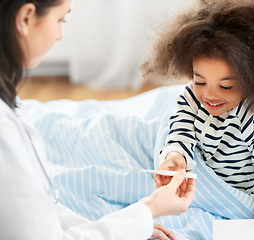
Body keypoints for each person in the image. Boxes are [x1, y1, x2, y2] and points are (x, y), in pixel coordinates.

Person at [0, 1, 195, 239]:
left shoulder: (10, 105)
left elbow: (46, 212)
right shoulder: (5, 131)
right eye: (60, 20)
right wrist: (149, 209)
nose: (60, 34)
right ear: (26, 18)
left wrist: (136, 223)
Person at [142, 0, 254, 218]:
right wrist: (175, 156)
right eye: (200, 81)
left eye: (226, 86)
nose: (210, 95)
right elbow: (181, 129)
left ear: (253, 79)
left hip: (234, 193)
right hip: (201, 172)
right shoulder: (191, 96)